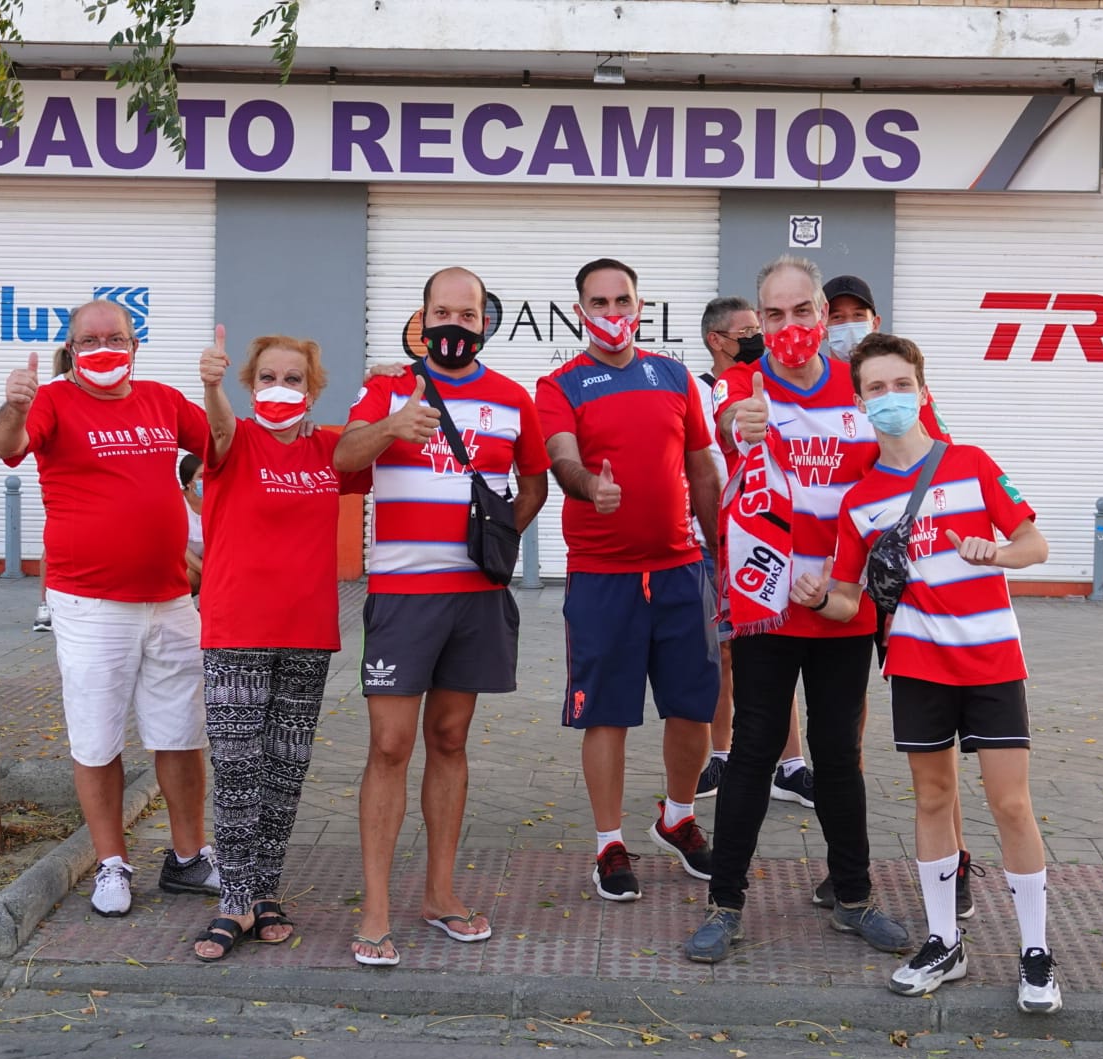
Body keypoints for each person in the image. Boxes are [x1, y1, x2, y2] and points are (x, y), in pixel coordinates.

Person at [791, 332, 1060, 1014]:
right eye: (875, 389)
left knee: (1010, 804)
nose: (889, 399)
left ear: (923, 391)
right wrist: (821, 596)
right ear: (859, 404)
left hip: (992, 657)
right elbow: (851, 599)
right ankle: (944, 942)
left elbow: (1036, 543)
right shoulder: (859, 501)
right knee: (934, 801)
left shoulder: (969, 463)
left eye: (900, 385)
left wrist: (998, 551)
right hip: (915, 666)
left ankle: (1036, 952)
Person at [687, 255, 942, 965]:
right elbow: (727, 425)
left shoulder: (862, 386)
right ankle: (726, 902)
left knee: (837, 752)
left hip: (843, 602)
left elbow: (923, 457)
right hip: (768, 605)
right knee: (754, 751)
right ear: (758, 324)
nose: (791, 326)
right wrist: (739, 421)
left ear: (824, 316)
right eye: (775, 315)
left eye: (803, 311)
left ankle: (853, 895)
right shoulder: (744, 385)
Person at [334, 266, 550, 966]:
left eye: (468, 312)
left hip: (475, 598)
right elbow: (342, 462)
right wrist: (392, 424)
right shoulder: (387, 386)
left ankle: (439, 895)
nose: (455, 324)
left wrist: (500, 540)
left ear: (486, 321)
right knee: (391, 745)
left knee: (451, 739)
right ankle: (374, 908)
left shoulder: (513, 398)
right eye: (442, 312)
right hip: (402, 597)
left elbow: (537, 477)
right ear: (421, 319)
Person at [0, 299, 218, 918]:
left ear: (135, 344)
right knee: (97, 740)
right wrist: (12, 406)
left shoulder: (165, 402)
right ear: (71, 348)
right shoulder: (51, 402)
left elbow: (222, 448)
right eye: (89, 340)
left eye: (114, 337)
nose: (103, 348)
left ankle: (189, 858)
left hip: (172, 601)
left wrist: (216, 389)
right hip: (90, 606)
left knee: (181, 735)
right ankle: (111, 863)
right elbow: (4, 448)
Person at [536, 258, 722, 904]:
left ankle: (678, 816)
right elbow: (561, 456)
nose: (612, 312)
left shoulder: (673, 376)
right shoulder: (560, 383)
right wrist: (590, 485)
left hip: (679, 570)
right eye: (599, 301)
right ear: (579, 310)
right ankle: (609, 842)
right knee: (607, 716)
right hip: (603, 578)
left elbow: (702, 472)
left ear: (641, 306)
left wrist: (719, 555)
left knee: (694, 708)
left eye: (622, 300)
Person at [190, 327, 371, 961]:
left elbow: (371, 448)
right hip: (236, 630)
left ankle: (263, 891)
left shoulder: (328, 449)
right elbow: (213, 433)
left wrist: (389, 395)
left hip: (307, 633)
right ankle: (234, 901)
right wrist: (211, 388)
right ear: (250, 383)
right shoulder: (233, 438)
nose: (279, 388)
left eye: (293, 379)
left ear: (313, 389)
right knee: (238, 769)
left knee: (283, 773)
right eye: (268, 377)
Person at [822, 272, 982, 922]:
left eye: (858, 313)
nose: (847, 323)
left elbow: (935, 465)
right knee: (847, 735)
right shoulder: (810, 391)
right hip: (836, 582)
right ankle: (848, 870)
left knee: (934, 740)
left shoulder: (897, 392)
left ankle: (960, 860)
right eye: (836, 314)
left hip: (899, 589)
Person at [693, 297, 813, 809]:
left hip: (768, 535)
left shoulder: (771, 381)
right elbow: (718, 435)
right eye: (746, 329)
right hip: (715, 538)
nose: (758, 335)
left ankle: (791, 764)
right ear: (717, 340)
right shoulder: (697, 391)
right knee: (723, 654)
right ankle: (721, 753)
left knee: (776, 646)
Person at [33, 346, 74, 633]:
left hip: (62, 482)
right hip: (64, 482)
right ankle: (47, 604)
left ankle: (47, 606)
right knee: (55, 543)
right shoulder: (53, 392)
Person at [179, 453, 205, 596]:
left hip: (208, 560)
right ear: (188, 482)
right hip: (184, 562)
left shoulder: (216, 499)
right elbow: (179, 547)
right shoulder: (177, 501)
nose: (207, 480)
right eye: (201, 477)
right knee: (191, 576)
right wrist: (204, 569)